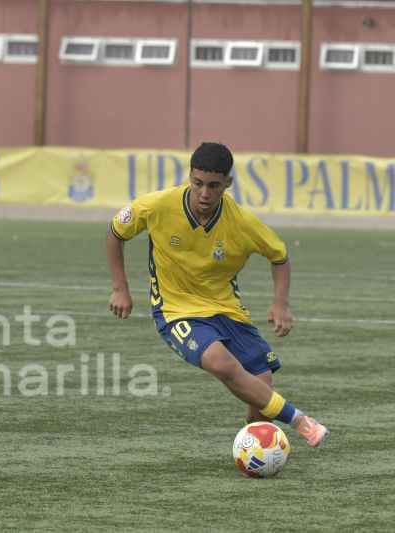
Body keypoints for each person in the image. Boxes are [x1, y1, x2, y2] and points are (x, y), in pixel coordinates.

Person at [105, 142, 328, 448]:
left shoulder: (242, 223)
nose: (205, 193)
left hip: (226, 310)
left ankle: (256, 447)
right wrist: (120, 289)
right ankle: (300, 420)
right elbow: (115, 232)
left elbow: (279, 256)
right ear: (190, 177)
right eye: (197, 184)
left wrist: (280, 303)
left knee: (262, 381)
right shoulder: (156, 206)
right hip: (176, 311)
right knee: (222, 364)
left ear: (228, 183)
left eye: (214, 185)